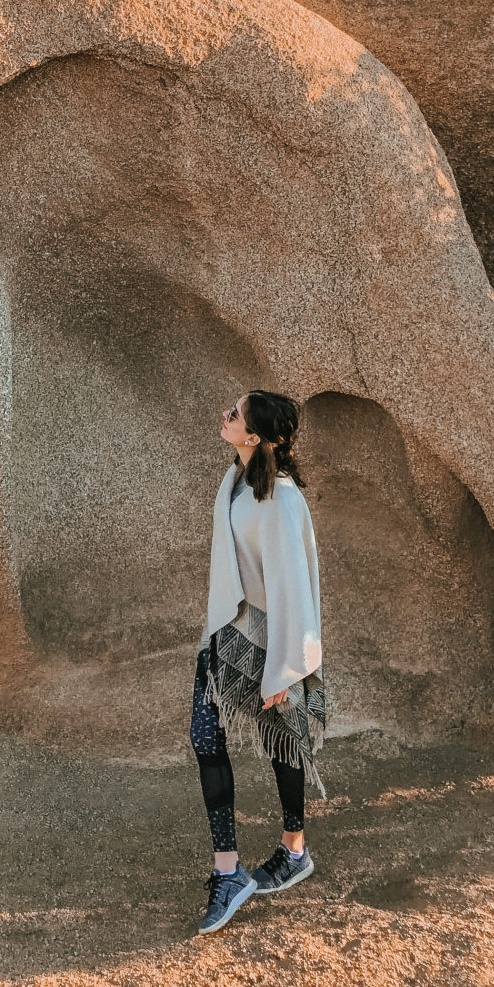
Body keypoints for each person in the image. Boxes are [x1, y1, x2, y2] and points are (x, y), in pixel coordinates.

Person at [193, 389, 326, 934]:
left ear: (253, 433)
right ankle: (230, 873)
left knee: (283, 740)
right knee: (206, 737)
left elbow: (295, 588)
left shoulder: (281, 499)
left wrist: (283, 672)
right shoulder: (237, 482)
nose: (225, 415)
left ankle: (294, 851)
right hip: (227, 637)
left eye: (234, 413)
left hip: (271, 641)